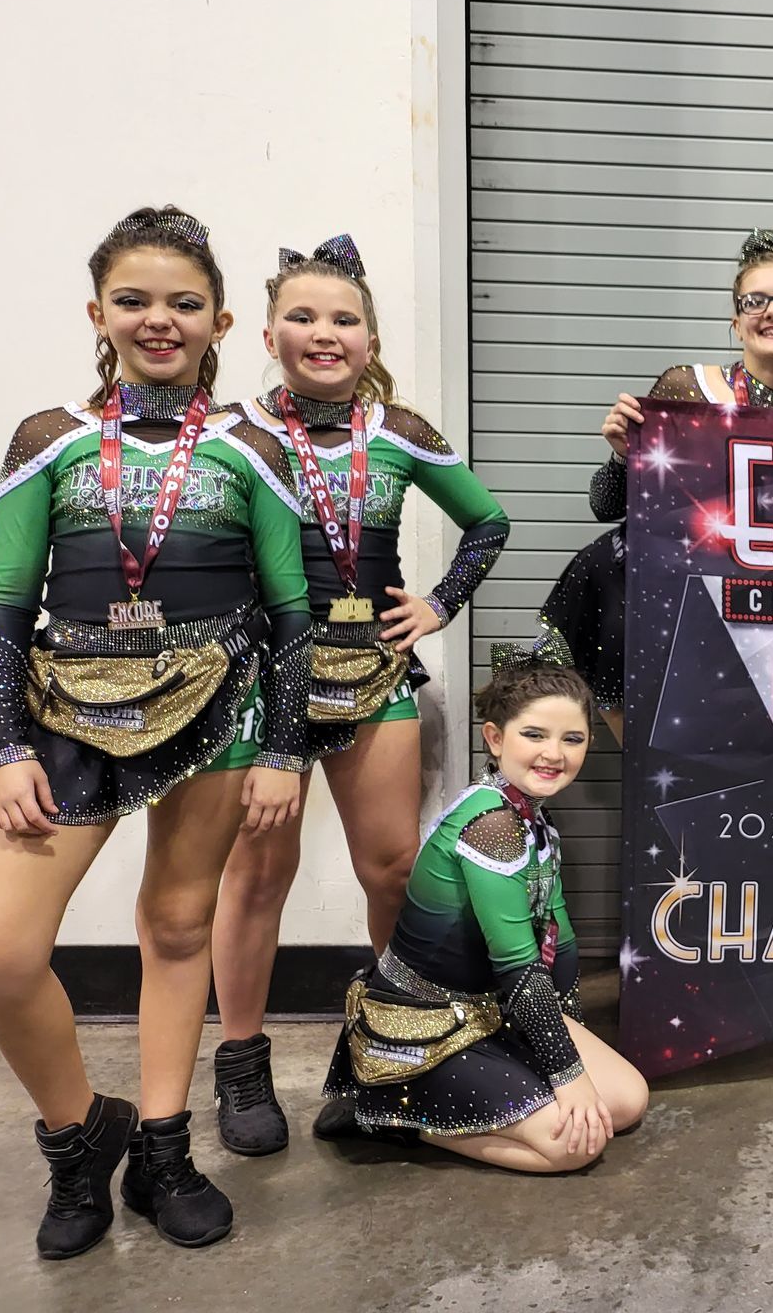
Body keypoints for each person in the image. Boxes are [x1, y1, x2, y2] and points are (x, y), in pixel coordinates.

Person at [0, 206, 310, 1256]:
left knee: (176, 925)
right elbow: (0, 609)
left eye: (184, 303)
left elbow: (291, 615)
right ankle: (80, 1139)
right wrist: (3, 746)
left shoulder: (255, 447)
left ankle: (161, 1145)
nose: (160, 319)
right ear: (98, 313)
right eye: (136, 300)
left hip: (217, 702)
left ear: (222, 321)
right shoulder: (48, 439)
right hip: (69, 711)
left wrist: (286, 749)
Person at [210, 235, 512, 1154]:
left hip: (372, 678)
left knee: (389, 872)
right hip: (260, 689)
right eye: (302, 317)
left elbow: (488, 522)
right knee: (259, 874)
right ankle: (240, 1064)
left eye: (344, 318)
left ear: (371, 341)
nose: (324, 333)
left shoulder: (401, 432)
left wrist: (440, 604)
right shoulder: (231, 435)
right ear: (269, 331)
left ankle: (389, 1052)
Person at [320, 660, 648, 1170]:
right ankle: (384, 1111)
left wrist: (567, 1032)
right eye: (534, 734)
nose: (554, 754)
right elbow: (519, 966)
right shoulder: (491, 825)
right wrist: (566, 1072)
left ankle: (491, 1091)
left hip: (494, 1010)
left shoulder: (533, 815)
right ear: (495, 739)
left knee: (626, 1102)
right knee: (572, 1147)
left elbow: (557, 938)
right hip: (426, 1027)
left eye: (573, 739)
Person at [535, 229, 773, 742]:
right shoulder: (688, 388)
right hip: (641, 606)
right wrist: (620, 458)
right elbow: (603, 505)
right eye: (756, 300)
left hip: (742, 621)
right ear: (736, 320)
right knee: (657, 775)